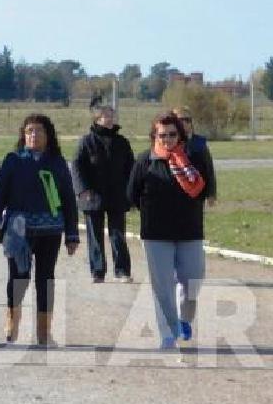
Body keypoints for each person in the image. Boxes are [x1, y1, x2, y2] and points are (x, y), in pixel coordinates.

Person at [0, 114, 79, 345]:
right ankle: (11, 320)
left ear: (48, 136)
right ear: (23, 135)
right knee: (19, 278)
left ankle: (44, 331)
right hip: (18, 233)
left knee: (45, 279)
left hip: (50, 231)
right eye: (29, 131)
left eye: (39, 131)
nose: (34, 135)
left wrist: (72, 234)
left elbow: (68, 198)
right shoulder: (13, 160)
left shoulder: (57, 163)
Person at [127, 112, 209, 349]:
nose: (167, 139)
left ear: (180, 135)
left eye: (172, 134)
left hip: (189, 231)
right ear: (155, 136)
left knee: (193, 281)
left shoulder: (194, 158)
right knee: (162, 286)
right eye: (162, 135)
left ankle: (184, 319)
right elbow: (131, 194)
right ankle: (168, 334)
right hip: (156, 234)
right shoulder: (146, 160)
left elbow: (203, 190)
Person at [71, 105, 135, 283]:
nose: (110, 118)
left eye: (112, 115)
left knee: (118, 234)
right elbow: (76, 166)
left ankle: (122, 270)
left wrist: (132, 190)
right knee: (95, 236)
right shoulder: (86, 142)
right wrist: (83, 190)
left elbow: (131, 167)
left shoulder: (122, 142)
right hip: (93, 196)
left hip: (117, 195)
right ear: (97, 119)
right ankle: (98, 271)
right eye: (106, 116)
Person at [172, 106, 217, 206]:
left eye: (187, 120)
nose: (183, 123)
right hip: (173, 193)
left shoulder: (199, 143)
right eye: (179, 120)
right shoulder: (168, 142)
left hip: (196, 193)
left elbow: (208, 169)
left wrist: (211, 194)